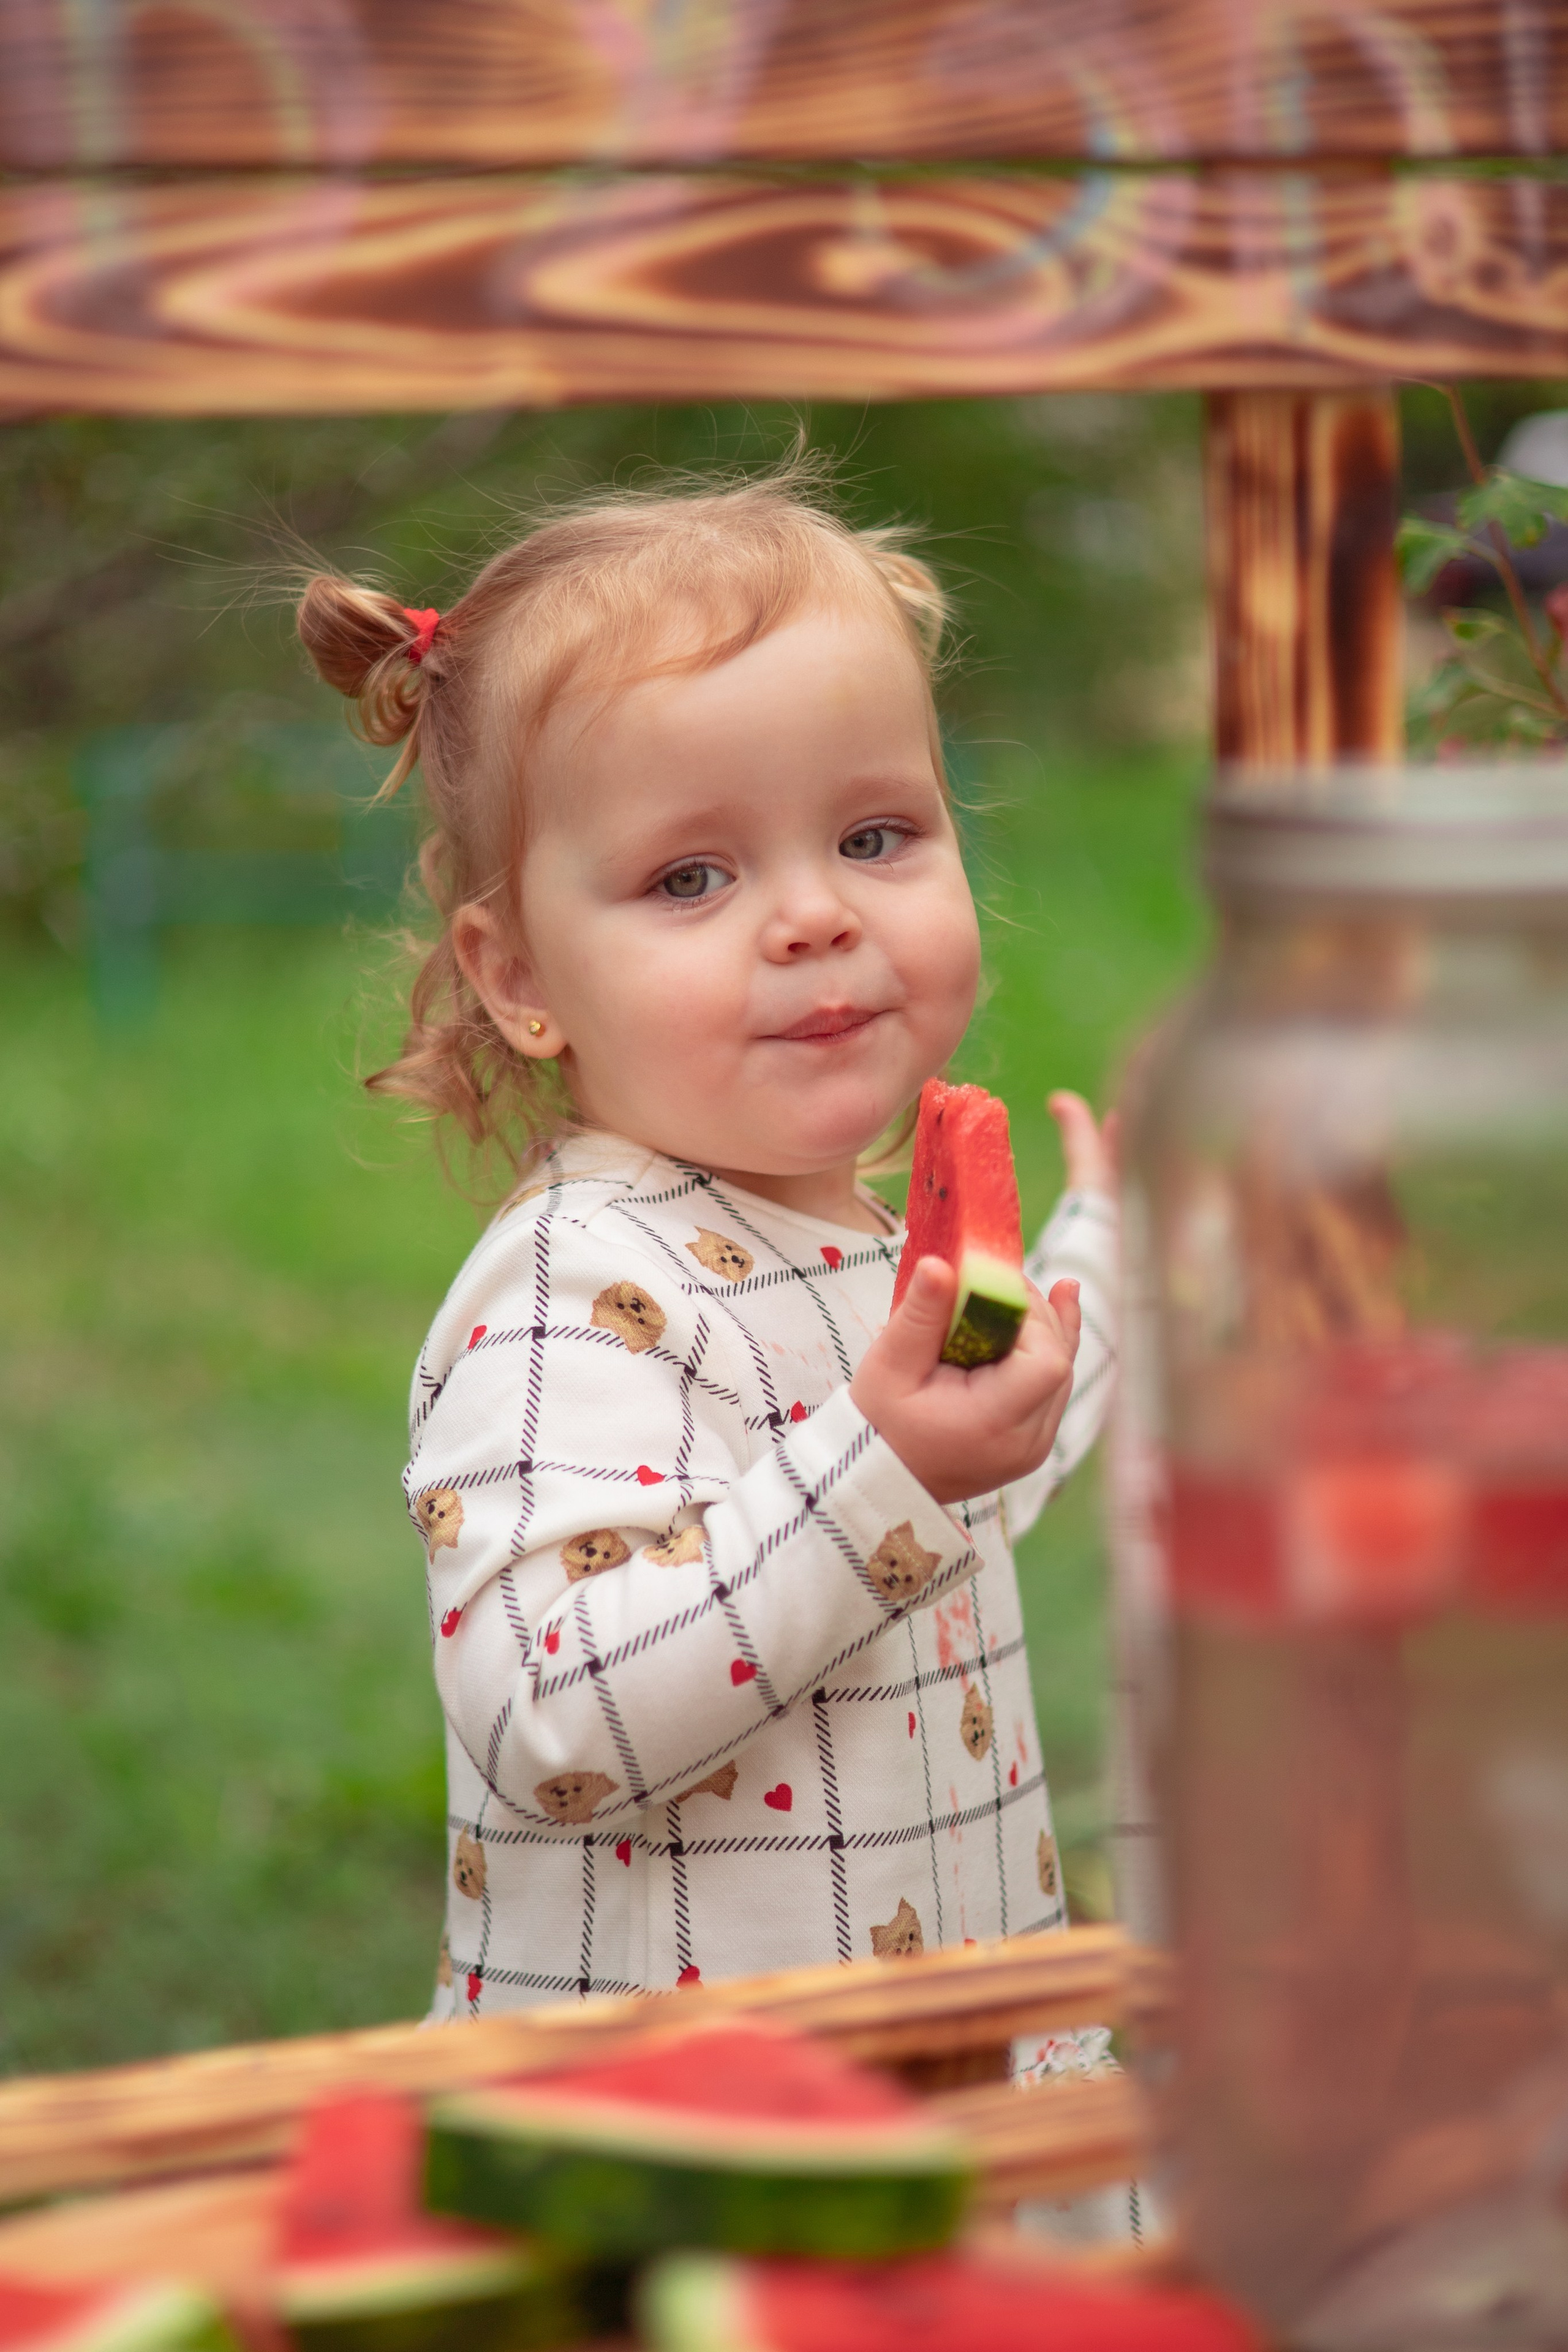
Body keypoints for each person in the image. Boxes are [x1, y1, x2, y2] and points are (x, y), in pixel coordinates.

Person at [295, 467, 1117, 2016]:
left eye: (875, 836)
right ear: (517, 972)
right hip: (687, 2133)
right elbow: (551, 1717)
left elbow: (994, 1439)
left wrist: (1125, 1248)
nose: (812, 915)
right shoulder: (580, 1293)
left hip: (946, 2078)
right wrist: (884, 1461)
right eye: (692, 875)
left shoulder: (875, 1230)